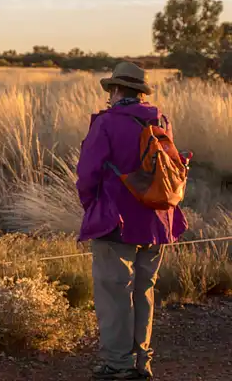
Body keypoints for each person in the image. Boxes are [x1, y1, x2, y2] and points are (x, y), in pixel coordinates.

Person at [76, 61, 188, 381]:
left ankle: (118, 364)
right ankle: (141, 362)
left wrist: (91, 207)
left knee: (114, 294)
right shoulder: (160, 120)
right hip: (157, 219)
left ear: (116, 89)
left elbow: (87, 175)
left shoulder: (107, 123)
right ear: (140, 92)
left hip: (116, 221)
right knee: (144, 290)